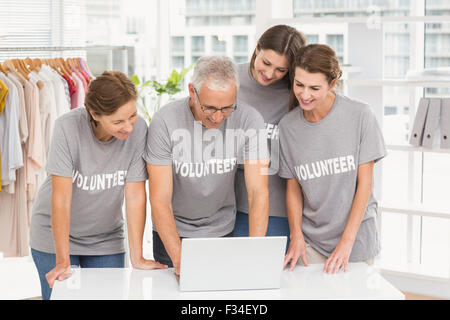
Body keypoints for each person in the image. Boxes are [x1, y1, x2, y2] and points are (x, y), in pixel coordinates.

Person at [30, 71, 167, 300]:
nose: (128, 127)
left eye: (132, 115)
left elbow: (134, 195)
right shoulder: (67, 128)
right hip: (55, 238)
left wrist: (137, 257)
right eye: (118, 121)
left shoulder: (139, 129)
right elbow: (61, 199)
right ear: (94, 114)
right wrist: (63, 260)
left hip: (106, 238)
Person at [145, 56, 269, 275]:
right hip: (172, 231)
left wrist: (255, 252)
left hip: (221, 230)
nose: (218, 117)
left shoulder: (249, 120)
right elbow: (159, 199)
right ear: (192, 91)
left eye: (227, 108)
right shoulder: (165, 121)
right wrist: (179, 257)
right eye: (210, 108)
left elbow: (258, 193)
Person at [279, 44, 387, 274]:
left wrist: (347, 243)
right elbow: (293, 187)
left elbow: (365, 185)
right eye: (299, 85)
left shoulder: (360, 115)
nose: (305, 95)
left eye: (314, 88)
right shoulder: (287, 127)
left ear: (333, 83)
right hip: (311, 243)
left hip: (356, 240)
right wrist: (296, 235)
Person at [233, 25, 306, 244]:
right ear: (257, 49)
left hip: (277, 209)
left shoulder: (296, 92)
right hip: (229, 205)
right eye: (266, 63)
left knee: (270, 275)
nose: (270, 73)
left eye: (280, 70)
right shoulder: (230, 79)